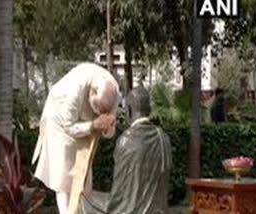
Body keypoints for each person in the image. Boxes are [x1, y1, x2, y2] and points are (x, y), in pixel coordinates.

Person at [31, 62, 119, 214]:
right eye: (97, 110)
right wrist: (92, 126)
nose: (100, 113)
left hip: (83, 121)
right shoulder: (73, 90)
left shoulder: (113, 90)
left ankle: (81, 210)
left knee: (84, 175)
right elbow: (69, 126)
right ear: (92, 93)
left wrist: (107, 128)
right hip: (59, 122)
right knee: (63, 176)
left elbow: (110, 128)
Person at [79, 84, 172, 214]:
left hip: (128, 210)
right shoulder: (163, 138)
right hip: (158, 211)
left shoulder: (125, 141)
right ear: (149, 110)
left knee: (82, 199)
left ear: (128, 110)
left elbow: (119, 194)